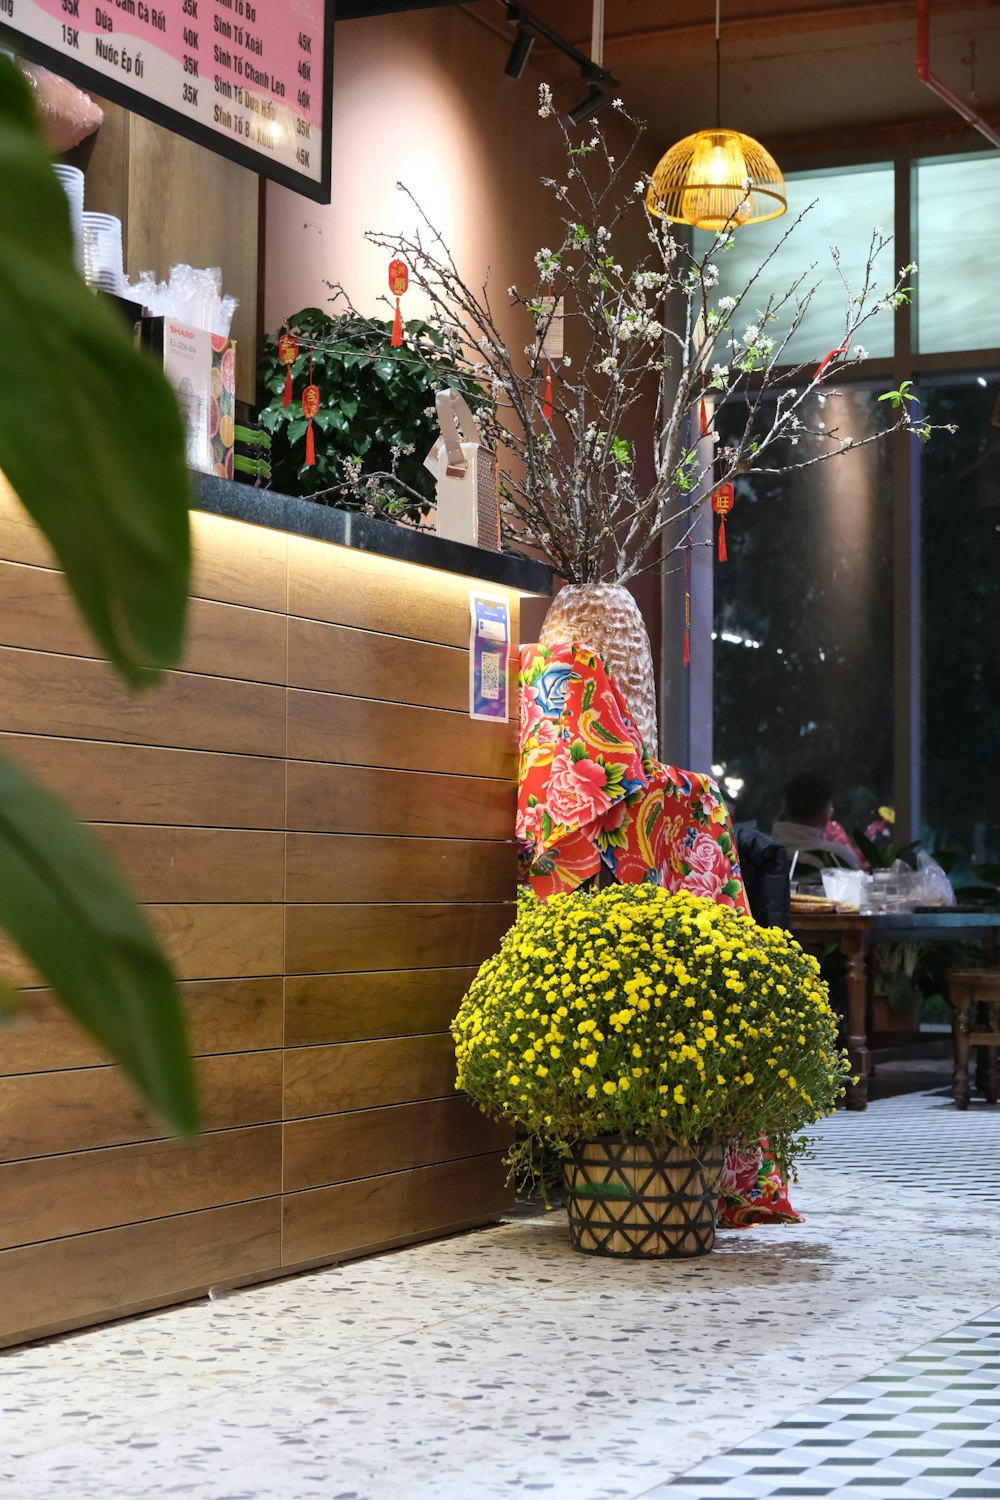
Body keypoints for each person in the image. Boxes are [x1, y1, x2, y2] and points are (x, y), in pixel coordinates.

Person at [771, 769, 861, 878]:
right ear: (825, 814)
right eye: (829, 806)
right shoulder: (839, 859)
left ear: (784, 806)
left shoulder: (759, 856)